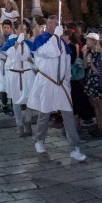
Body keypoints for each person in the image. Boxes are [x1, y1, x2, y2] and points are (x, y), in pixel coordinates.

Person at [27, 15, 87, 162]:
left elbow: (66, 61)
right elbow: (49, 52)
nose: (52, 25)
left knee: (68, 115)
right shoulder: (42, 39)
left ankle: (75, 147)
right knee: (44, 113)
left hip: (61, 84)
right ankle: (39, 140)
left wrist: (66, 81)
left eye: (55, 23)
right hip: (47, 81)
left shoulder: (61, 42)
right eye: (50, 23)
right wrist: (55, 37)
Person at [0, 21, 35, 136]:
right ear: (15, 30)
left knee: (29, 99)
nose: (22, 32)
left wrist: (31, 60)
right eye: (20, 29)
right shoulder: (10, 42)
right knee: (16, 100)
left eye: (24, 30)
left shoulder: (29, 43)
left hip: (27, 74)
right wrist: (16, 45)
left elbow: (36, 56)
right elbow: (2, 55)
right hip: (14, 74)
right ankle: (19, 124)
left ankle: (28, 122)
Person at [0, 20, 13, 116]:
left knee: (12, 85)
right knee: (4, 86)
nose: (6, 29)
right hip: (3, 65)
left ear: (11, 28)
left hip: (12, 65)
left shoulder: (14, 39)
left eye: (7, 27)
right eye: (4, 27)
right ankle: (4, 105)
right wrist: (2, 55)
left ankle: (14, 105)